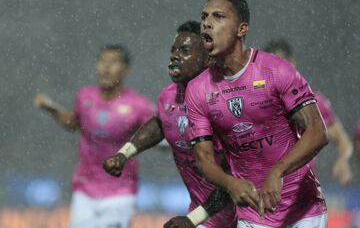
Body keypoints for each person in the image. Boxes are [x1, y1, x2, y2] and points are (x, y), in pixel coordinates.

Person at [185, 0, 328, 227]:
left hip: (303, 209)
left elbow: (317, 131)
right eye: (204, 17)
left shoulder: (276, 70)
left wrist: (278, 171)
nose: (207, 23)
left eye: (218, 16)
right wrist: (230, 183)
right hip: (253, 213)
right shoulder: (198, 89)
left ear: (242, 29)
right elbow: (204, 159)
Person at [103, 21, 237, 228]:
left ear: (208, 58)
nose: (174, 56)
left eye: (184, 51)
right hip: (204, 217)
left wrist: (193, 220)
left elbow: (235, 177)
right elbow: (160, 123)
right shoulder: (168, 97)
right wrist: (124, 154)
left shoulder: (223, 101)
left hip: (246, 216)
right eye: (173, 50)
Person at [33, 44, 154, 228]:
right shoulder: (85, 96)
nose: (105, 67)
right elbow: (73, 123)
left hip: (120, 192)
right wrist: (51, 108)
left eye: (113, 62)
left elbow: (157, 132)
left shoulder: (139, 105)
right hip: (85, 189)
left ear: (125, 70)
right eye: (102, 61)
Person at [264, 39, 353, 185]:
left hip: (304, 192)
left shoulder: (313, 103)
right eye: (273, 67)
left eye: (282, 63)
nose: (279, 72)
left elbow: (343, 141)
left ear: (292, 63)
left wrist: (343, 160)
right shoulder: (256, 107)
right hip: (268, 190)